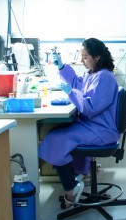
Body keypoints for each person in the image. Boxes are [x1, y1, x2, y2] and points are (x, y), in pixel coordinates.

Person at [38, 38, 120, 207]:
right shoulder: (93, 74)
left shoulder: (104, 78)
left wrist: (71, 94)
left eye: (85, 57)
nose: (82, 60)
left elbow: (90, 107)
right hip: (93, 125)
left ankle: (71, 188)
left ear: (97, 57)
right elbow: (77, 84)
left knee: (56, 139)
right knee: (57, 133)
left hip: (101, 130)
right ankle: (76, 179)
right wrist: (61, 67)